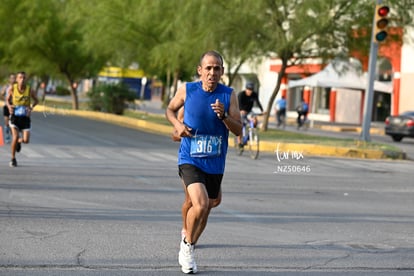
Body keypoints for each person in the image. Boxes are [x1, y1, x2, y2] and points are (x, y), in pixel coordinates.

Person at [166, 50, 242, 274]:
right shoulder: (188, 90)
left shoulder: (229, 95)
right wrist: (179, 128)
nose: (212, 72)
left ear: (222, 72)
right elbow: (170, 110)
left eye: (216, 68)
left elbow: (239, 130)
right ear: (200, 70)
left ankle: (190, 238)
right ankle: (187, 246)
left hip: (215, 162)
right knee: (197, 203)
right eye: (208, 68)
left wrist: (224, 117)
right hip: (190, 158)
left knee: (208, 205)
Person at [6, 71, 39, 167]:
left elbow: (36, 100)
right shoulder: (13, 88)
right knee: (15, 137)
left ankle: (19, 142)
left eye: (24, 78)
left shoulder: (29, 90)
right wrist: (9, 107)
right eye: (20, 77)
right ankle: (13, 158)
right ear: (16, 79)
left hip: (25, 117)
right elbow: (7, 100)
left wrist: (31, 108)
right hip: (15, 116)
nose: (22, 79)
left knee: (26, 140)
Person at [236, 82, 264, 147]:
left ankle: (248, 137)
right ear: (246, 89)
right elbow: (238, 103)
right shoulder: (241, 94)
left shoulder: (254, 94)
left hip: (249, 111)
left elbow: (258, 102)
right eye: (248, 90)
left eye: (251, 90)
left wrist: (262, 110)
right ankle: (239, 141)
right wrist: (241, 110)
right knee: (241, 125)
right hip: (240, 110)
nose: (250, 91)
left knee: (254, 121)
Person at [1, 73, 16, 144]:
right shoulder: (6, 86)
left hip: (14, 107)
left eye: (14, 78)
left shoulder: (17, 87)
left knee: (13, 123)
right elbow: (1, 94)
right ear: (9, 79)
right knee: (7, 123)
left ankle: (14, 135)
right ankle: (7, 137)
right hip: (6, 106)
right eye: (11, 78)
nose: (13, 79)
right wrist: (3, 93)